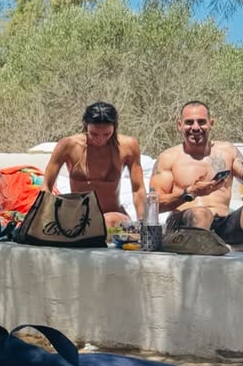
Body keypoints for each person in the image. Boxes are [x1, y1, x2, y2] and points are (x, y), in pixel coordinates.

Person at [150, 100, 243, 254]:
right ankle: (202, 263)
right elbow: (153, 206)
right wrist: (190, 192)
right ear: (179, 125)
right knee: (201, 213)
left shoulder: (228, 151)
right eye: (189, 122)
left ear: (211, 124)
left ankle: (219, 247)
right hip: (184, 225)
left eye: (201, 122)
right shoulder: (168, 158)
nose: (195, 127)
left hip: (223, 224)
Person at [42, 102, 146, 226]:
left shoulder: (128, 146)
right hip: (79, 217)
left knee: (107, 221)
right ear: (86, 125)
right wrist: (42, 218)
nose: (100, 139)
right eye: (94, 134)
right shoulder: (68, 146)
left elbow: (138, 189)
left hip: (113, 215)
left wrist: (143, 222)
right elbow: (46, 186)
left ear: (115, 126)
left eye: (106, 134)